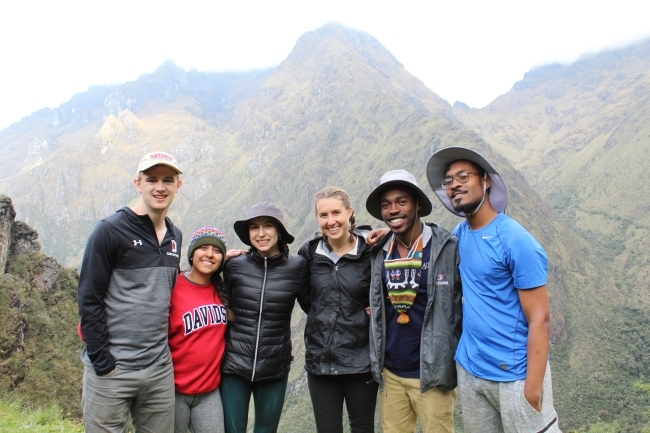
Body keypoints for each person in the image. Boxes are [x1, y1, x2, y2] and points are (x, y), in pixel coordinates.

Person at [426, 146, 561, 432]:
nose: (454, 185)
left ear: (486, 180)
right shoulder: (460, 234)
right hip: (471, 370)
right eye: (449, 181)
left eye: (463, 175)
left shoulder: (515, 240)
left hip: (514, 376)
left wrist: (532, 390)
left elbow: (541, 318)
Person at [78, 151, 183, 432]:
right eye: (152, 180)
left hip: (158, 368)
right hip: (113, 370)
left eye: (167, 180)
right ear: (138, 184)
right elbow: (89, 297)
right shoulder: (110, 231)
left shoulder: (176, 236)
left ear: (178, 186)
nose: (160, 187)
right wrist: (102, 361)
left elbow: (168, 290)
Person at [366, 169, 462, 433]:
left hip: (431, 375)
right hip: (391, 374)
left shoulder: (446, 248)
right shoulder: (379, 251)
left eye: (401, 201)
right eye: (386, 205)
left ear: (417, 204)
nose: (393, 210)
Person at [220, 202, 310, 433]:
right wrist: (219, 261)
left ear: (279, 231)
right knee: (233, 430)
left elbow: (313, 306)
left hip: (274, 366)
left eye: (268, 226)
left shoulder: (298, 267)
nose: (261, 234)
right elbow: (210, 296)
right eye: (254, 227)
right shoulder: (234, 266)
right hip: (234, 366)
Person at [298, 187, 379, 433]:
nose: (331, 221)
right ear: (317, 219)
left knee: (362, 428)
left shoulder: (371, 250)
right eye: (324, 215)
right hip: (321, 360)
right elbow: (306, 299)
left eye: (336, 213)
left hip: (361, 359)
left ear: (349, 213)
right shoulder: (310, 253)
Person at [169, 227, 230, 433]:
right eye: (203, 248)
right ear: (192, 254)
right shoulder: (173, 285)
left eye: (216, 250)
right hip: (174, 391)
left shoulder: (222, 290)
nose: (209, 254)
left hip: (209, 393)